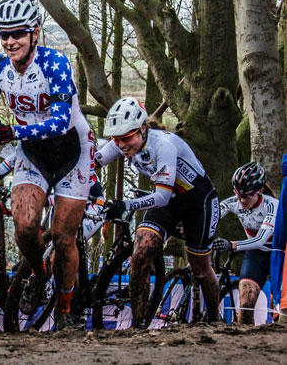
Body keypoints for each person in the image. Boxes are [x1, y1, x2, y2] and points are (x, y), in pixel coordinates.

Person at [0, 0, 95, 330]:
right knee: (24, 226)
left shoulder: (54, 63)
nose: (10, 41)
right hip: (33, 151)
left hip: (72, 151)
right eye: (4, 35)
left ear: (34, 33)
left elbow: (61, 122)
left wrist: (14, 131)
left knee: (63, 237)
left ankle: (64, 309)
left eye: (18, 34)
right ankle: (39, 274)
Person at [95, 97, 221, 327]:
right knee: (141, 254)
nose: (122, 145)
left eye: (127, 138)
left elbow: (161, 196)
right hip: (168, 202)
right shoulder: (121, 142)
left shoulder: (163, 145)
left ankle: (215, 319)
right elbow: (93, 163)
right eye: (116, 139)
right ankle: (138, 325)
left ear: (143, 129)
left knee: (201, 269)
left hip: (198, 202)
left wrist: (124, 204)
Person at [212, 162, 278, 324]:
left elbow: (260, 240)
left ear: (259, 191)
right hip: (256, 256)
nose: (241, 200)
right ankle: (244, 337)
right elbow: (212, 216)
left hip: (279, 255)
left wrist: (232, 245)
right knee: (246, 302)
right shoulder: (233, 202)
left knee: (278, 305)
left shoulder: (272, 205)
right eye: (238, 195)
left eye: (246, 196)